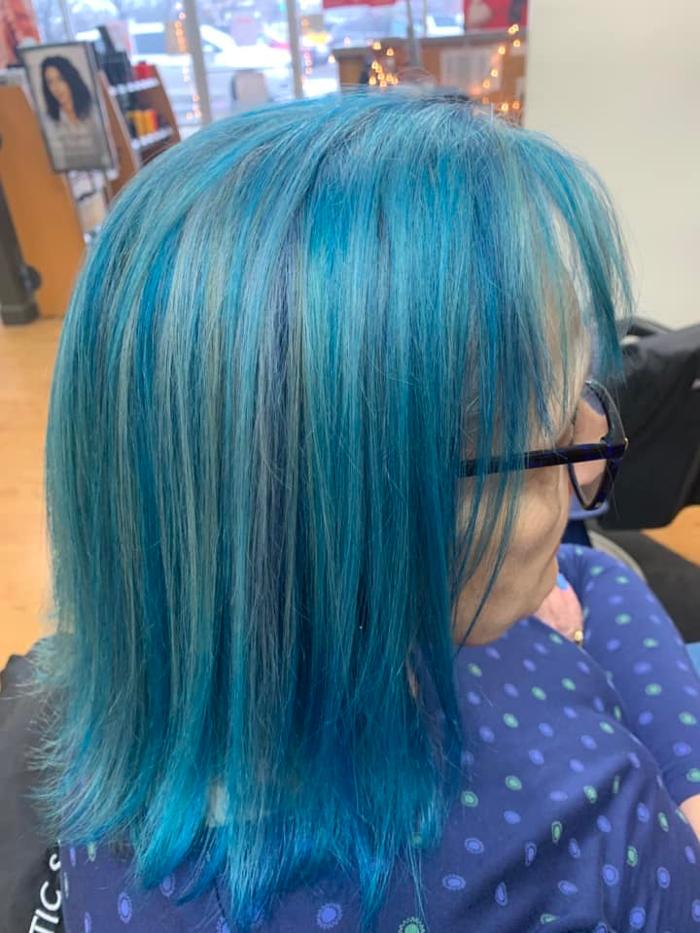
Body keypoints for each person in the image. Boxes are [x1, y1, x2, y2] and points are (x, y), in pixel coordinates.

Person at [4, 91, 700, 931]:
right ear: (377, 521)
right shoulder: (588, 841)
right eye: (555, 433)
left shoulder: (122, 693)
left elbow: (587, 572)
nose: (595, 445)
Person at [39, 53, 112, 171]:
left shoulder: (93, 111)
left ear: (70, 78)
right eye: (50, 82)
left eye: (60, 79)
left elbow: (105, 152)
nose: (56, 87)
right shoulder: (49, 121)